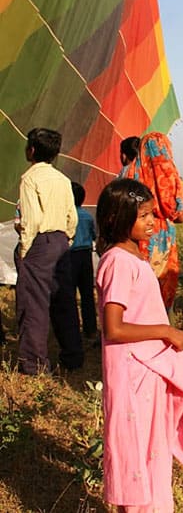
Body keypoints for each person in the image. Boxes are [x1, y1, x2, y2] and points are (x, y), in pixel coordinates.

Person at [95, 178, 183, 512]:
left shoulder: (134, 258)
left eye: (151, 214)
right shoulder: (117, 261)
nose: (151, 221)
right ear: (117, 218)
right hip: (132, 374)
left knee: (149, 449)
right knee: (136, 450)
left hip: (145, 370)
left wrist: (171, 337)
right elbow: (113, 328)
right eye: (143, 215)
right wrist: (165, 332)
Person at [15, 128, 83, 374]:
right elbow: (71, 217)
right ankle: (73, 356)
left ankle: (34, 363)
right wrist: (67, 239)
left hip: (40, 242)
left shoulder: (30, 178)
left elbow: (31, 219)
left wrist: (25, 249)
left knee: (34, 304)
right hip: (61, 241)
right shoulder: (63, 179)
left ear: (31, 150)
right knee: (64, 300)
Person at [123, 132, 183, 312]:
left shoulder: (129, 173)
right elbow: (179, 215)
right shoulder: (169, 176)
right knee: (160, 294)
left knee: (138, 293)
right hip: (161, 241)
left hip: (134, 239)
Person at [69, 182, 97, 341]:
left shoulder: (67, 216)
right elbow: (93, 235)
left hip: (70, 256)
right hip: (85, 256)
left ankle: (73, 329)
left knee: (69, 294)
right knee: (87, 294)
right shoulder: (87, 216)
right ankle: (90, 329)